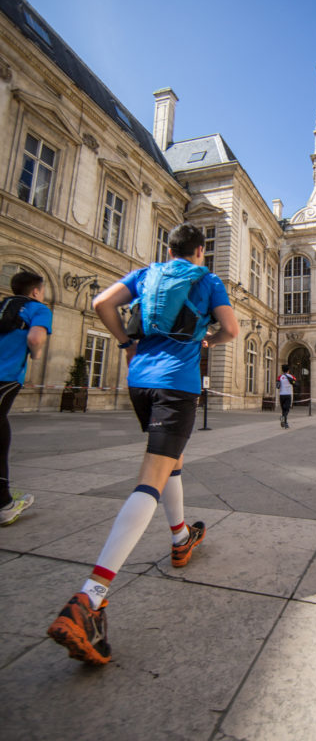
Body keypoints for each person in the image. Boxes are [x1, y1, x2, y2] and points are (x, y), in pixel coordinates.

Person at [47, 223, 238, 665]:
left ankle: (180, 537)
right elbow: (230, 328)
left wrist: (127, 342)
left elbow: (101, 303)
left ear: (168, 248)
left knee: (170, 461)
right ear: (200, 250)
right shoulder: (207, 280)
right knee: (151, 477)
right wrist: (207, 337)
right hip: (177, 384)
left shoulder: (146, 273)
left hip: (140, 382)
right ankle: (89, 598)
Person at [0, 271, 52, 526]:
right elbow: (35, 337)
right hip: (5, 376)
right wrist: (37, 353)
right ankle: (4, 504)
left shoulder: (3, 306)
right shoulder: (37, 309)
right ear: (35, 291)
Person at [277, 364, 296, 428]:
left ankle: (285, 423)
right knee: (287, 409)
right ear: (288, 370)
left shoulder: (280, 377)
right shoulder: (291, 376)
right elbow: (295, 382)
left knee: (283, 410)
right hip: (288, 394)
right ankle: (283, 419)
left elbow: (277, 386)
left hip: (281, 395)